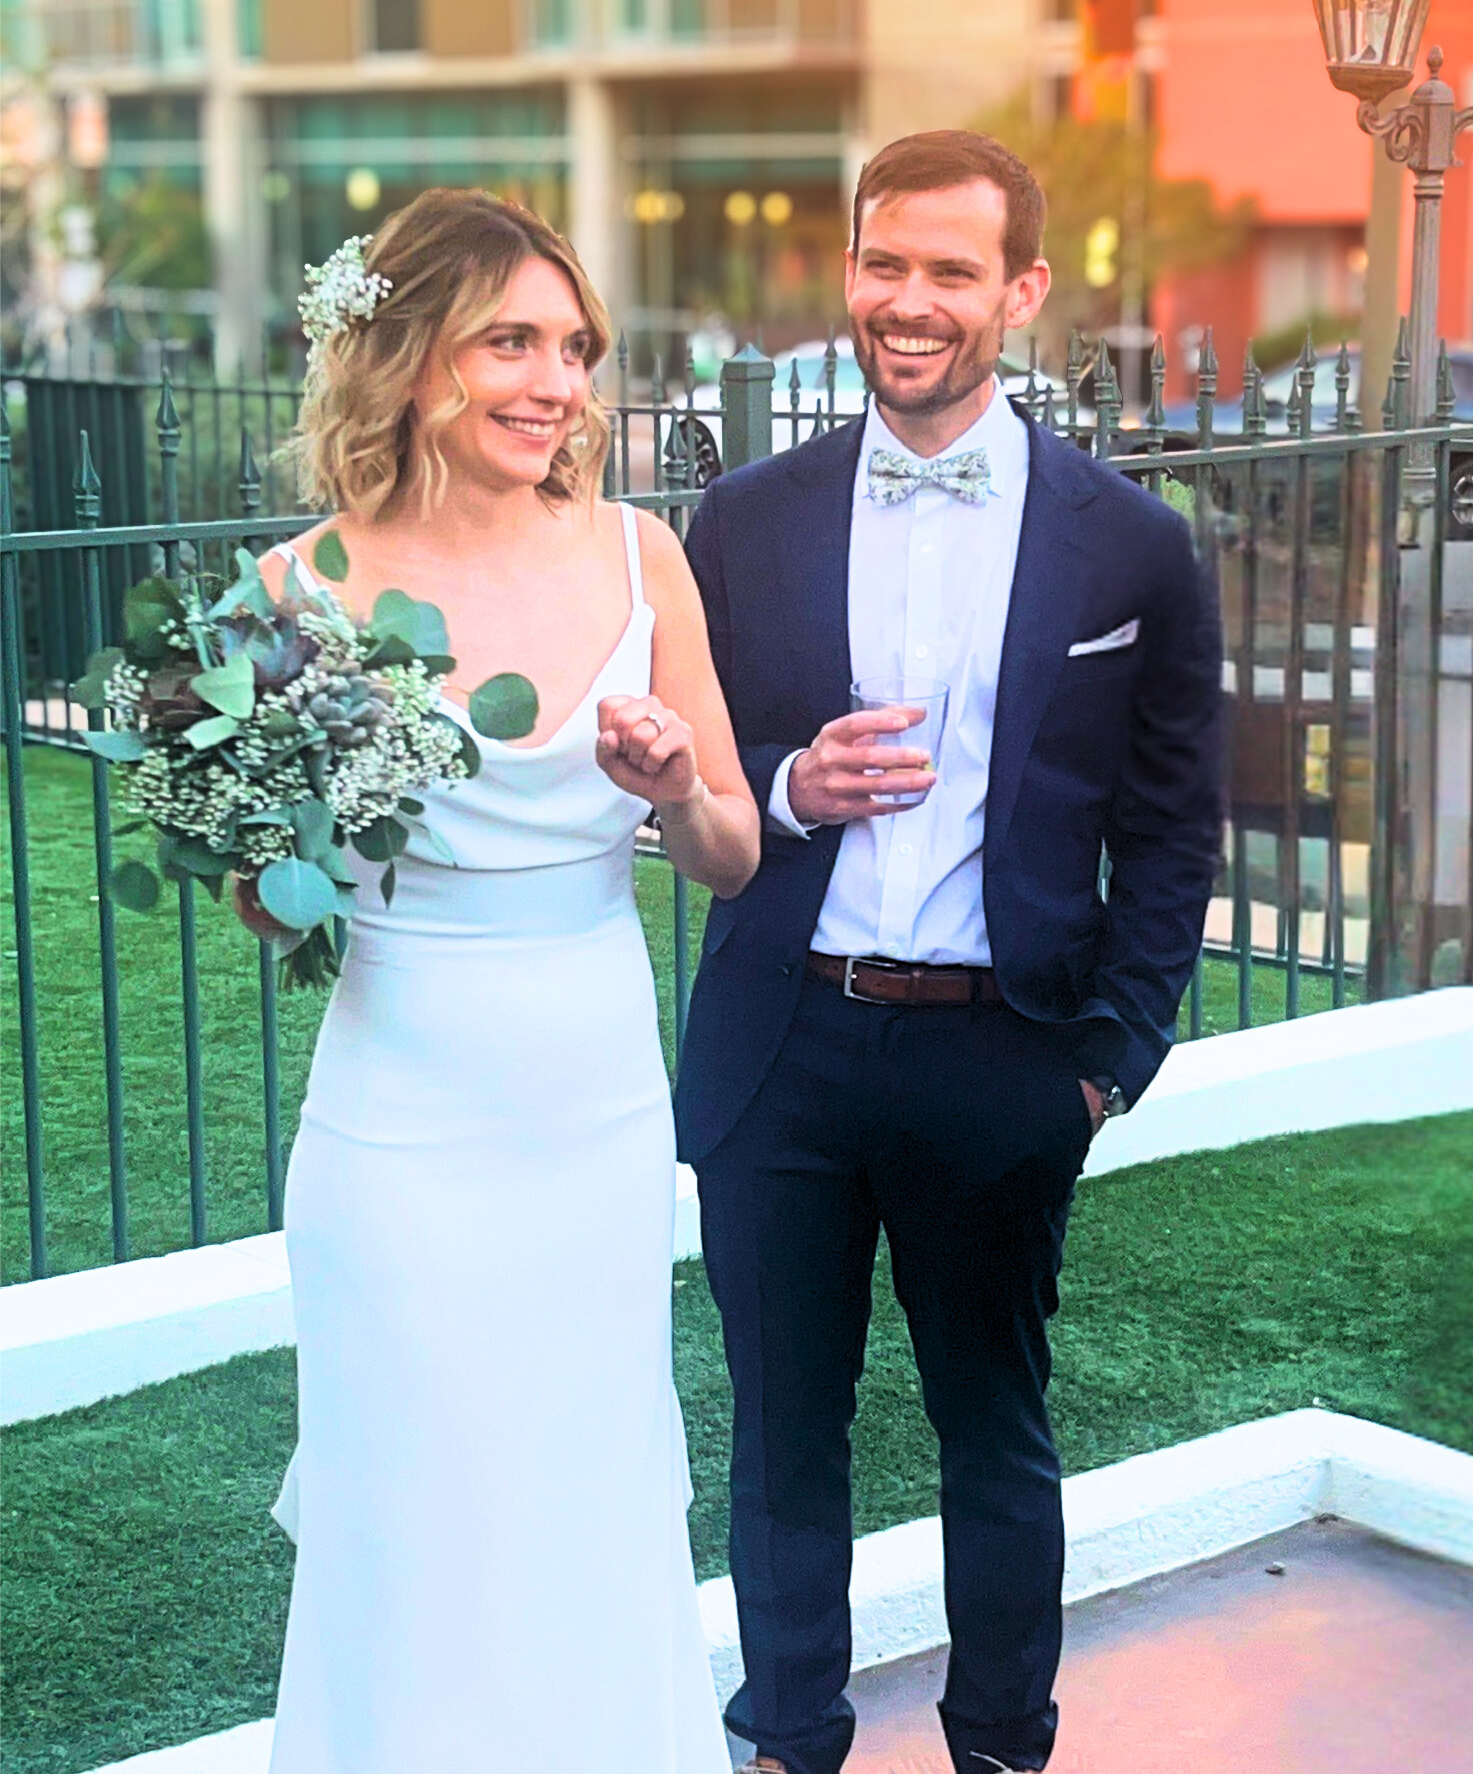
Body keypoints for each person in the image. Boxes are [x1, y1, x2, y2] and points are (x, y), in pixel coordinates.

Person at [675, 131, 1223, 1774]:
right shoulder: (742, 518)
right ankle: (789, 1739)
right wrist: (789, 781)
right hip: (783, 1045)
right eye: (883, 263)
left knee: (994, 1429)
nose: (908, 301)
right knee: (781, 1436)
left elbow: (1173, 824)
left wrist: (1109, 1059)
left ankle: (999, 1745)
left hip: (1007, 1052)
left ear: (1022, 290)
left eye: (951, 270)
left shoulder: (1132, 544)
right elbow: (695, 770)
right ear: (849, 271)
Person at [258, 188, 756, 1772]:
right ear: (413, 357)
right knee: (412, 1508)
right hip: (396, 1130)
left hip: (593, 1123)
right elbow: (273, 918)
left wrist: (675, 785)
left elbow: (735, 850)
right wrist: (276, 829)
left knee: (582, 1496)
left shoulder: (642, 555)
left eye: (573, 347)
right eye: (511, 344)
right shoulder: (295, 592)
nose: (555, 383)